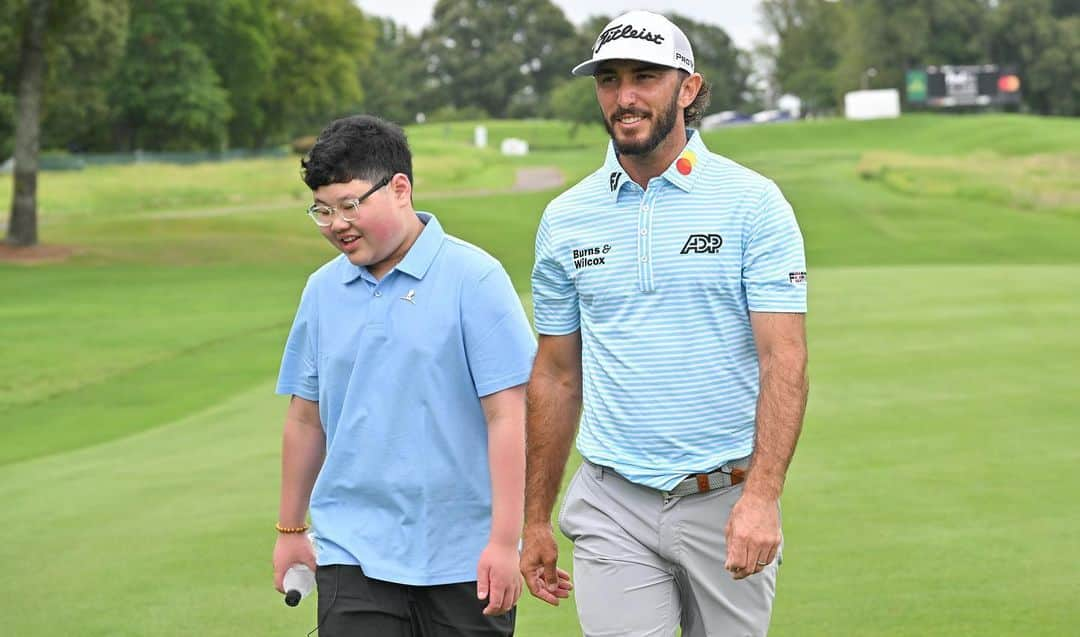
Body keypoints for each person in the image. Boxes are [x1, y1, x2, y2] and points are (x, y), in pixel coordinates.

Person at [520, 10, 809, 637]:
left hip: (726, 498)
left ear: (688, 88)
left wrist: (762, 497)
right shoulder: (566, 219)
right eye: (609, 79)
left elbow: (782, 359)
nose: (624, 97)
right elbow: (556, 372)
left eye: (645, 77)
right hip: (613, 499)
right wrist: (534, 518)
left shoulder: (753, 204)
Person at [272, 114, 539, 636]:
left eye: (350, 205)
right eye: (322, 211)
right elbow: (306, 419)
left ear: (400, 189)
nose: (337, 224)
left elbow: (509, 417)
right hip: (353, 550)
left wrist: (507, 541)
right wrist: (290, 528)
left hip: (464, 556)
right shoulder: (321, 291)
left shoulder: (475, 278)